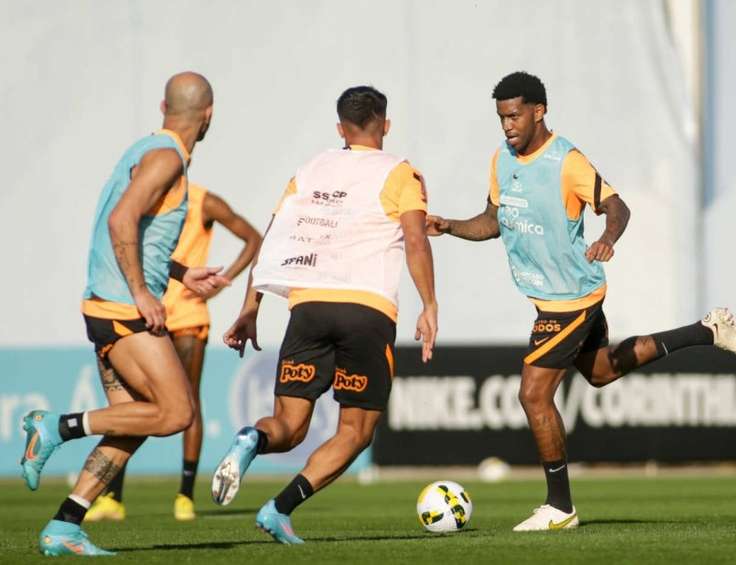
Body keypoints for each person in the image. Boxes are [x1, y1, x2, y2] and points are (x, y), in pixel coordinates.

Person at [427, 71, 736, 532]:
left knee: (532, 393)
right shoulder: (502, 160)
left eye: (514, 115)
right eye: (501, 117)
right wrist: (450, 226)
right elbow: (492, 221)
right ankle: (707, 330)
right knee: (600, 372)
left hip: (571, 300)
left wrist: (608, 238)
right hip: (551, 299)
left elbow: (618, 207)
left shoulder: (567, 161)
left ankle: (560, 506)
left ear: (539, 111)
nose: (507, 125)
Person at [210, 85, 438, 544]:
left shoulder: (309, 170)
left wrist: (250, 307)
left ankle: (252, 440)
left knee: (289, 427)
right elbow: (416, 240)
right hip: (365, 310)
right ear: (385, 125)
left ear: (340, 128)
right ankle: (279, 508)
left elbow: (275, 239)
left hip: (308, 307)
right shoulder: (401, 173)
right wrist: (430, 304)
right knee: (354, 431)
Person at [19, 72, 230, 556]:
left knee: (133, 423)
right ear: (209, 114)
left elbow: (134, 228)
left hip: (106, 303)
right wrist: (142, 291)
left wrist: (179, 274)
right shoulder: (167, 157)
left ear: (163, 106)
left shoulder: (143, 149)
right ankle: (56, 427)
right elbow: (122, 219)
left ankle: (65, 524)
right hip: (122, 307)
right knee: (177, 412)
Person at [83, 181, 263, 522]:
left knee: (189, 401)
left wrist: (218, 287)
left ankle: (184, 495)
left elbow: (255, 239)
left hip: (187, 315)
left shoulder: (202, 200)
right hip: (143, 313)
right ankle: (112, 498)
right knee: (131, 407)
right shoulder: (142, 199)